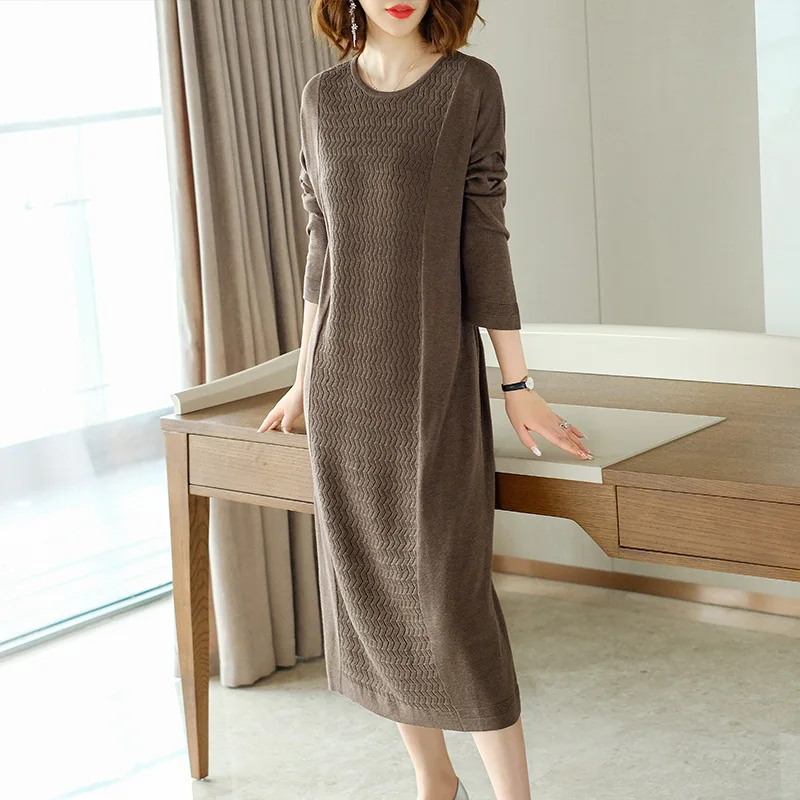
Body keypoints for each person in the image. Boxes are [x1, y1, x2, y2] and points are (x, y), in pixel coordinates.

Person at [259, 2, 593, 798]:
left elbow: (485, 236)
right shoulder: (320, 98)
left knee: (450, 601)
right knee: (373, 594)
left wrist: (517, 383)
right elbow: (322, 242)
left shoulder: (469, 86)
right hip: (342, 387)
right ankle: (433, 781)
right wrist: (304, 376)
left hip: (431, 379)